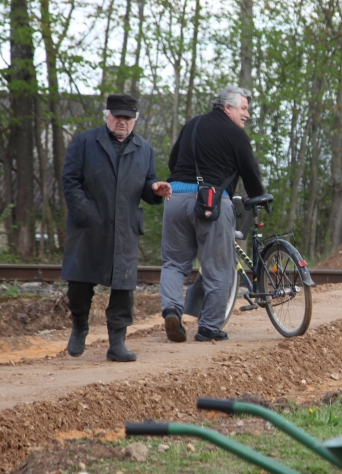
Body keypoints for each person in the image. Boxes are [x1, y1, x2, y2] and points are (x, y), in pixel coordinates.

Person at [61, 93, 172, 361]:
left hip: (125, 228)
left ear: (135, 120)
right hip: (89, 226)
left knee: (123, 288)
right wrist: (88, 214)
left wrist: (155, 189)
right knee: (79, 283)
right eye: (118, 116)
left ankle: (117, 343)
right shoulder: (85, 142)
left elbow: (147, 184)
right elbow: (70, 181)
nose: (122, 122)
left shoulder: (144, 149)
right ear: (107, 115)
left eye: (128, 118)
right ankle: (80, 326)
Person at [160, 86, 265, 342]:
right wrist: (258, 194)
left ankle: (172, 308)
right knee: (219, 267)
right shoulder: (235, 133)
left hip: (175, 197)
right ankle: (208, 327)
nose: (247, 115)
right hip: (212, 202)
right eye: (244, 108)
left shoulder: (192, 125)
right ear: (227, 108)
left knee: (174, 263)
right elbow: (250, 171)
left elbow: (173, 163)